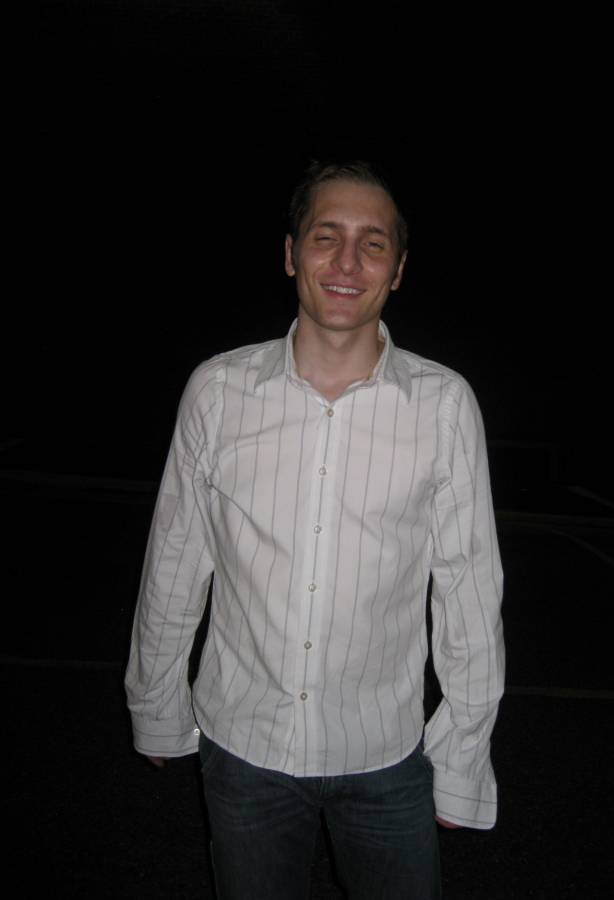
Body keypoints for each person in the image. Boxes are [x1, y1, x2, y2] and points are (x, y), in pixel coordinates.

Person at [125, 160, 505, 900]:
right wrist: (155, 705)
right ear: (291, 254)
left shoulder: (444, 406)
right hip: (243, 748)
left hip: (387, 755)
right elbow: (175, 557)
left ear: (398, 269)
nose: (347, 261)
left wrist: (462, 757)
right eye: (326, 236)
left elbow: (468, 589)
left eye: (373, 243)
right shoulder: (218, 391)